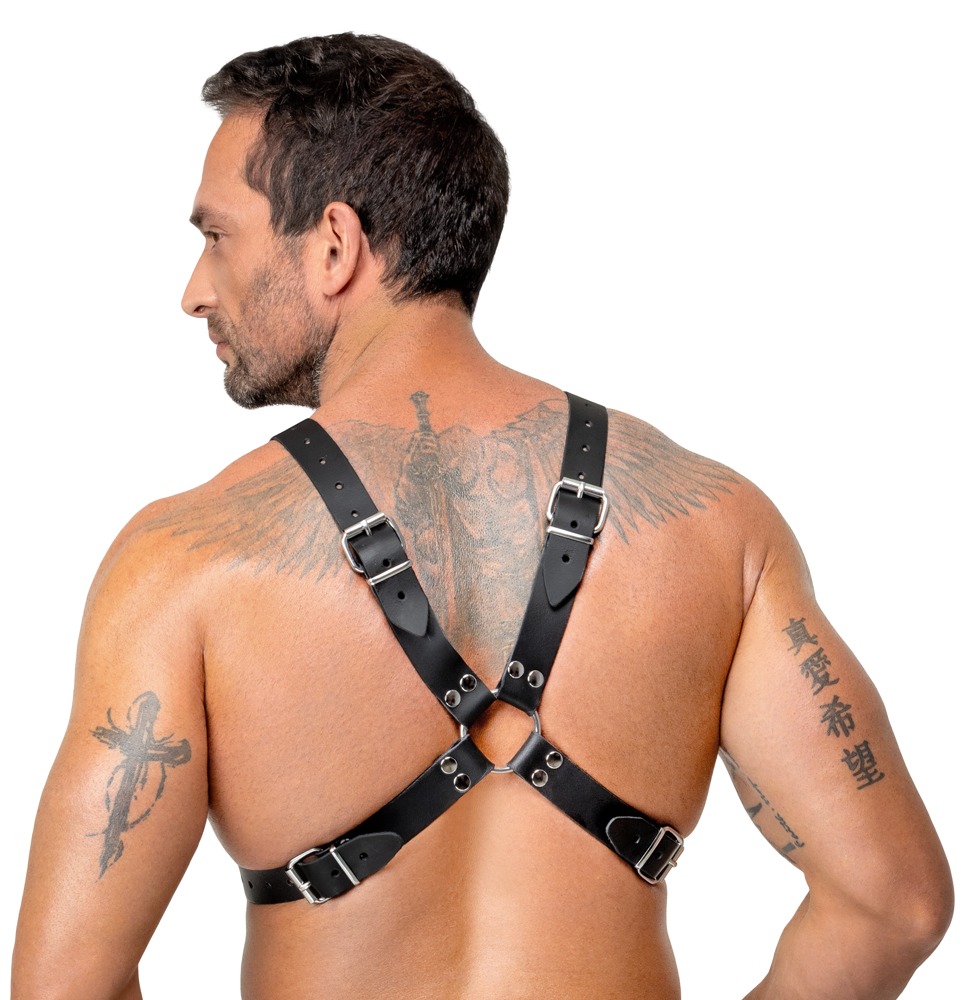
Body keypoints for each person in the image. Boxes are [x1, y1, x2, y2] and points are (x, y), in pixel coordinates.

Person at [12, 32, 953, 1000]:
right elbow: (893, 904)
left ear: (333, 244)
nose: (195, 291)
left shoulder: (186, 559)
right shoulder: (717, 527)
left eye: (217, 236)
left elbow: (64, 986)